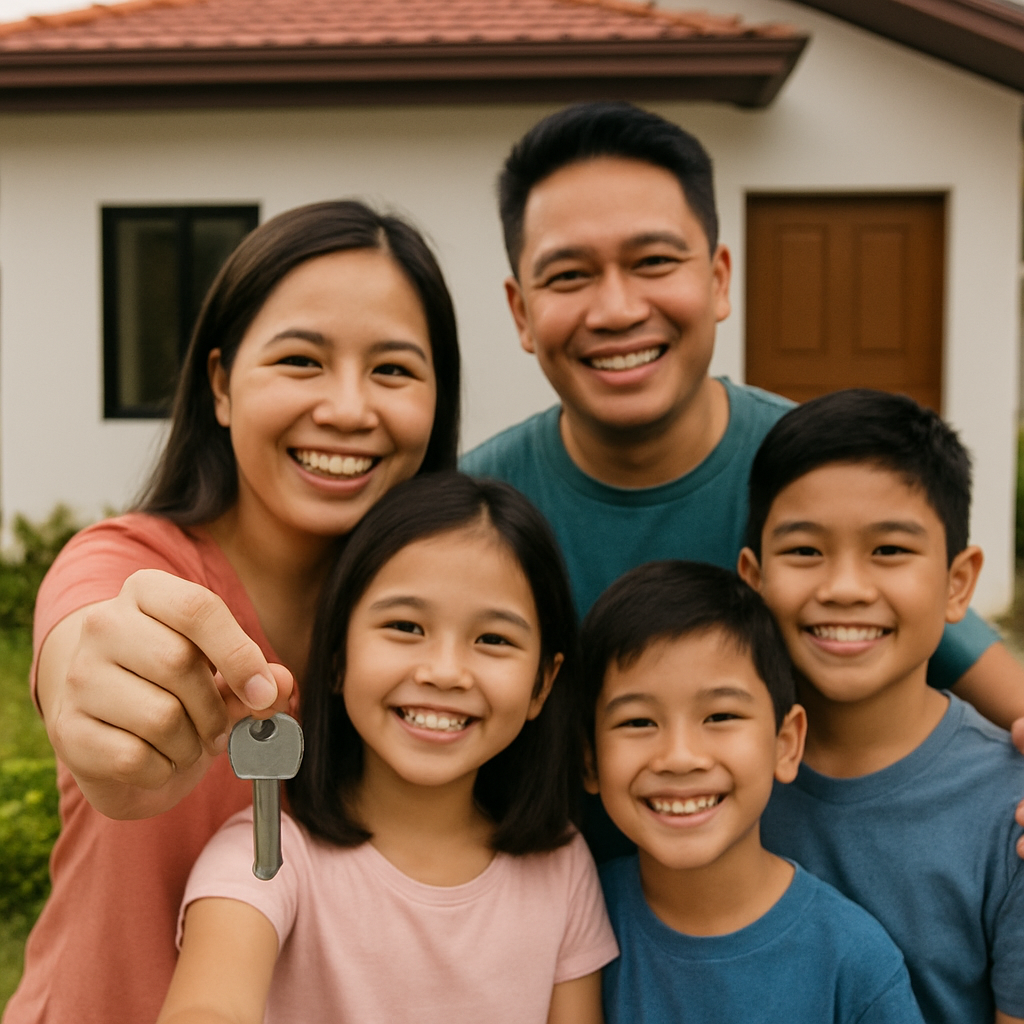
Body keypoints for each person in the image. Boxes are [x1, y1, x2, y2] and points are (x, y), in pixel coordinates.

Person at [6, 200, 462, 1024]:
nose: (350, 409)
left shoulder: (443, 633)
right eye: (300, 361)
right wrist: (98, 700)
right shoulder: (127, 563)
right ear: (219, 385)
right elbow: (89, 639)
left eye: (394, 370)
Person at [460, 100, 1024, 745]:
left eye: (653, 262)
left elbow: (994, 685)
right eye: (568, 276)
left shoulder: (821, 474)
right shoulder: (474, 508)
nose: (615, 309)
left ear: (718, 279)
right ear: (521, 312)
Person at [156, 472, 618, 1024]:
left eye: (492, 639)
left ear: (543, 682)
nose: (445, 672)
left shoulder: (562, 866)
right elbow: (210, 1005)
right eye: (405, 626)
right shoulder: (268, 855)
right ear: (337, 657)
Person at [739, 390, 1024, 1024]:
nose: (844, 588)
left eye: (890, 550)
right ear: (753, 578)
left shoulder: (1014, 811)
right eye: (805, 551)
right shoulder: (716, 776)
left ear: (958, 584)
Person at [581, 559, 923, 1023]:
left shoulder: (853, 961)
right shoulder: (575, 918)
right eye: (638, 721)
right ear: (589, 759)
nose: (680, 757)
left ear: (786, 744)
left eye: (720, 716)